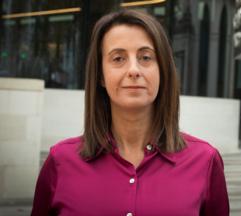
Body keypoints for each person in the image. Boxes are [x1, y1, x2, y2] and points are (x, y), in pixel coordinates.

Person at [31, 9, 229, 216]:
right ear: (100, 76)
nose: (134, 70)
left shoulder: (205, 161)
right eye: (118, 59)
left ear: (162, 70)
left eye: (145, 57)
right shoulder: (60, 161)